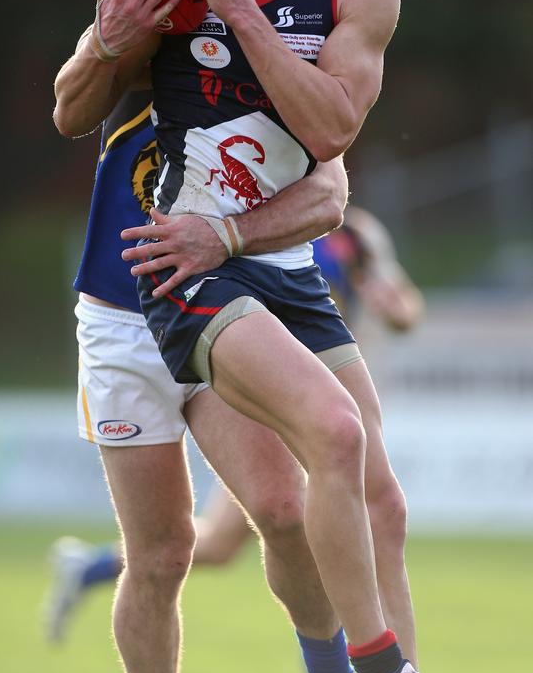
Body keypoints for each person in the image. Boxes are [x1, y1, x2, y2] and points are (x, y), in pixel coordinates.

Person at [53, 0, 493, 673]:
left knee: (343, 495)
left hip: (258, 266)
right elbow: (72, 109)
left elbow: (331, 168)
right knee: (162, 551)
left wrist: (241, 226)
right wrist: (109, 35)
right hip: (137, 286)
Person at [44, 202, 425, 635]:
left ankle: (89, 568)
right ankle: (332, 666)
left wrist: (395, 308)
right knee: (287, 522)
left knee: (244, 537)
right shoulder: (234, 213)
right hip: (264, 390)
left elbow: (405, 309)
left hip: (326, 398)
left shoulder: (355, 233)